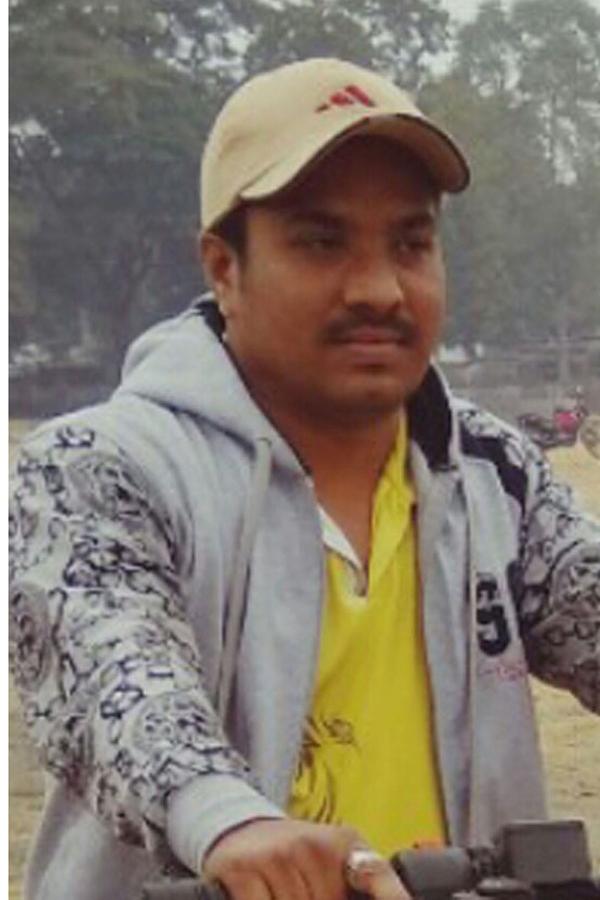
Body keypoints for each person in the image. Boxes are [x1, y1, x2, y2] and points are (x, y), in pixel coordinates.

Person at [9, 57, 599, 900]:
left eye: (411, 243)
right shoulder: (99, 470)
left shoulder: (491, 470)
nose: (380, 289)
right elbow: (114, 681)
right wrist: (227, 820)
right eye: (322, 242)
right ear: (223, 268)